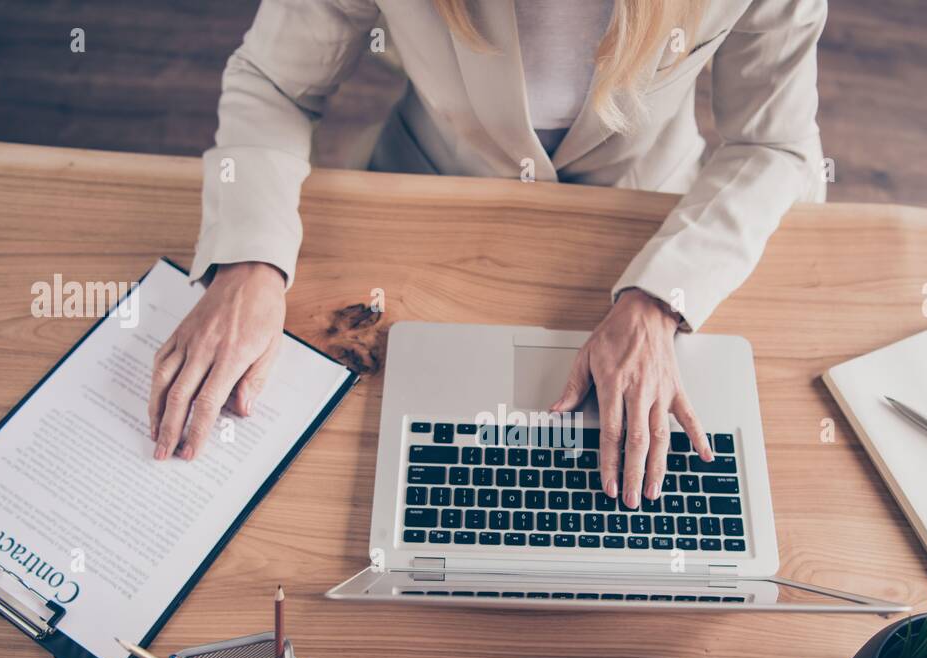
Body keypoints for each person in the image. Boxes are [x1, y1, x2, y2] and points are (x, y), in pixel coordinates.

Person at [149, 0, 827, 507]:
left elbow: (773, 146)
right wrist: (250, 261)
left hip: (647, 221)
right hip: (427, 210)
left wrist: (663, 298)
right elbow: (273, 82)